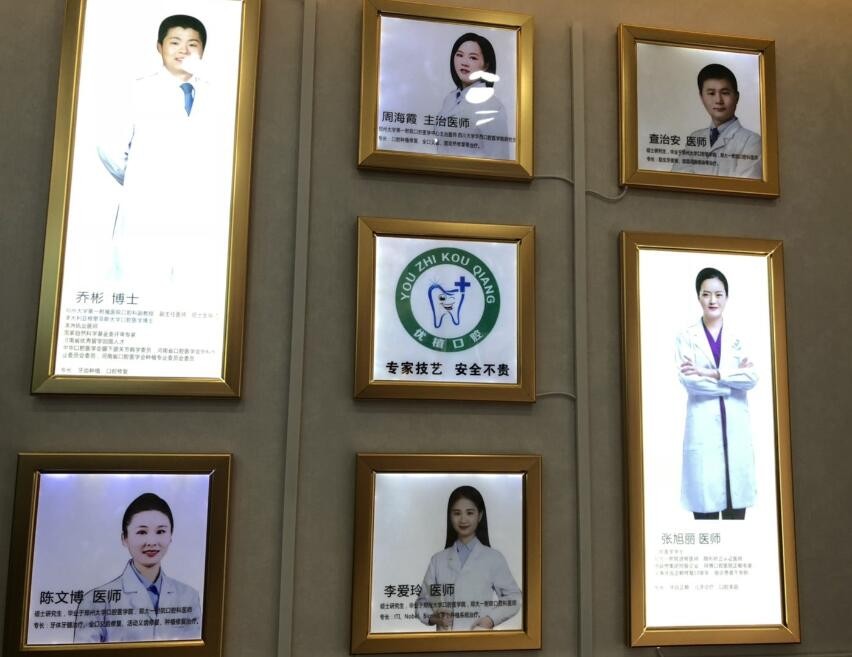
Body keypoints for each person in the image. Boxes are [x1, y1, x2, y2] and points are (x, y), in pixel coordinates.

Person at [97, 14, 231, 289]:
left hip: (199, 214)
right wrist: (141, 179)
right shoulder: (137, 90)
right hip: (144, 215)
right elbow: (110, 148)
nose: (184, 50)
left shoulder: (220, 97)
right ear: (159, 47)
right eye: (175, 42)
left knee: (193, 293)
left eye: (192, 44)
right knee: (138, 289)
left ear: (203, 51)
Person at [676, 268, 758, 520]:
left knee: (736, 519)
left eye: (719, 294)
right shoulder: (686, 337)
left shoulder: (738, 337)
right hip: (704, 432)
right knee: (706, 517)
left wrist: (712, 373)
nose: (713, 300)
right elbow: (690, 381)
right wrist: (731, 384)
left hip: (735, 432)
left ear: (727, 297)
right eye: (706, 294)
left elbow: (752, 378)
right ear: (698, 297)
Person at [73, 493, 202, 643]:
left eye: (160, 531)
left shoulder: (189, 597)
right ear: (124, 538)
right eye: (142, 532)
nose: (152, 542)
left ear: (170, 536)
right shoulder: (95, 601)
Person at [415, 486, 521, 631]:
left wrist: (490, 620)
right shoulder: (438, 560)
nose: (463, 519)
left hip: (478, 637)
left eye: (470, 513)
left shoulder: (494, 558)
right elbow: (422, 602)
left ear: (480, 515)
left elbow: (513, 597)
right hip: (445, 640)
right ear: (450, 516)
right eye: (457, 513)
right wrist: (435, 618)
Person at [671, 63, 762, 179]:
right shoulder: (695, 137)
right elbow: (678, 179)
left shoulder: (752, 141)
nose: (718, 100)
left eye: (725, 93)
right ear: (701, 97)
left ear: (737, 97)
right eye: (711, 93)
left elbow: (745, 186)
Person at [434, 33, 513, 160]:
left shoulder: (493, 106)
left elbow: (499, 158)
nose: (464, 63)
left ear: (486, 65)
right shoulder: (450, 98)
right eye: (460, 55)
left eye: (473, 58)